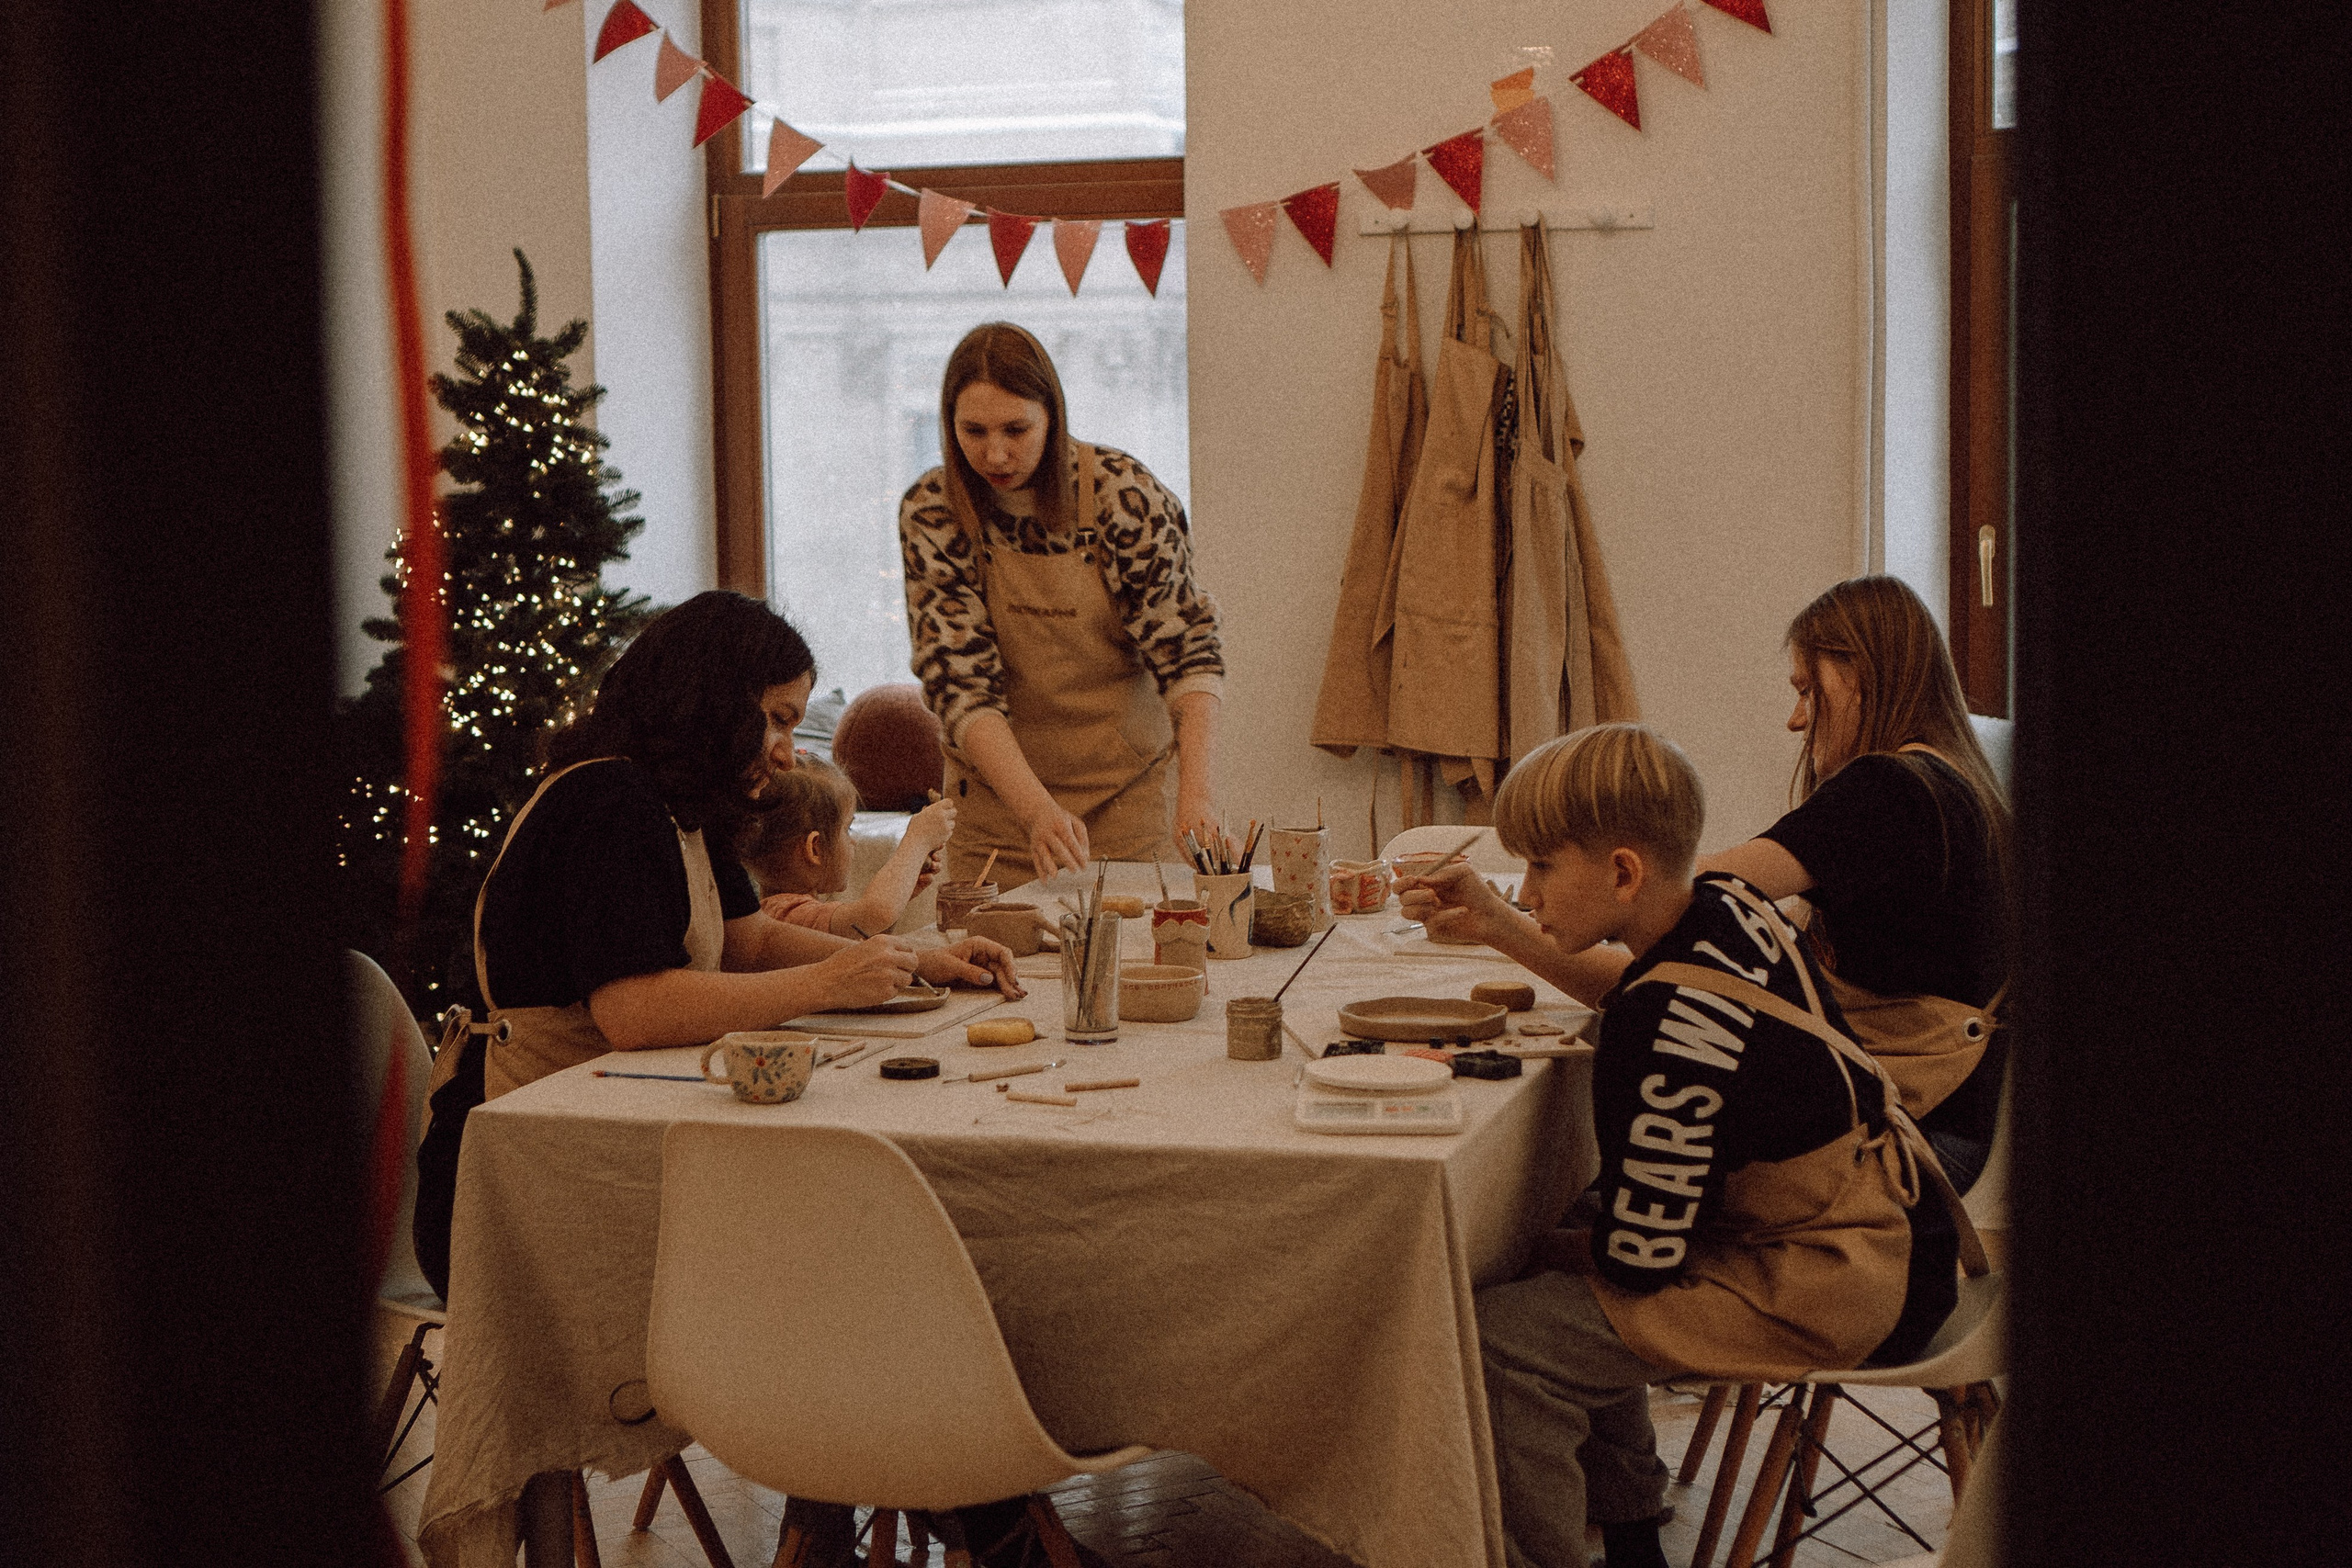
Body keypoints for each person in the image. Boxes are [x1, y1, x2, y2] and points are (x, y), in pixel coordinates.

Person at [1408, 574, 2009, 1362]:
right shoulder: (1957, 781)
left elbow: (1671, 913)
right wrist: (1507, 922)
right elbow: (1679, 957)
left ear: (1857, 670)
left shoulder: (1890, 789)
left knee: (1542, 1240)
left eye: (1807, 688)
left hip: (1892, 1164)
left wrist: (1523, 912)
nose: (1796, 719)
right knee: (1581, 1213)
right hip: (1926, 1137)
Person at [413, 591, 1020, 1301]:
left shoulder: (682, 800)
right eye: (778, 720)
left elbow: (751, 942)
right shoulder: (609, 800)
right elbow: (634, 1009)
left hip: (599, 1128)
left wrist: (913, 962)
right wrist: (828, 985)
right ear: (715, 699)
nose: (791, 752)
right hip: (509, 1176)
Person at [1459, 725, 1915, 1568]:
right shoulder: (1729, 904)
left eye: (1542, 868)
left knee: (1500, 1341)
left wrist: (1542, 1245)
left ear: (1624, 872)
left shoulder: (1658, 1030)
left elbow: (1639, 1264)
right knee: (1561, 1263)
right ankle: (1634, 1539)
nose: (1526, 894)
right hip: (1871, 1222)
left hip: (1816, 1280)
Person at [901, 321, 1225, 888]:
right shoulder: (935, 509)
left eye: (1016, 429)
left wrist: (1195, 792)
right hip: (999, 812)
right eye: (972, 431)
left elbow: (1188, 653)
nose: (995, 453)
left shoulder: (1123, 497)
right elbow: (961, 684)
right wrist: (1035, 812)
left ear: (1052, 416)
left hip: (1127, 801)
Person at [739, 758, 955, 936]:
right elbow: (874, 913)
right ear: (815, 849)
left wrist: (904, 890)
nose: (853, 842)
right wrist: (918, 839)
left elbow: (860, 939)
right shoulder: (785, 914)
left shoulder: (787, 909)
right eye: (847, 829)